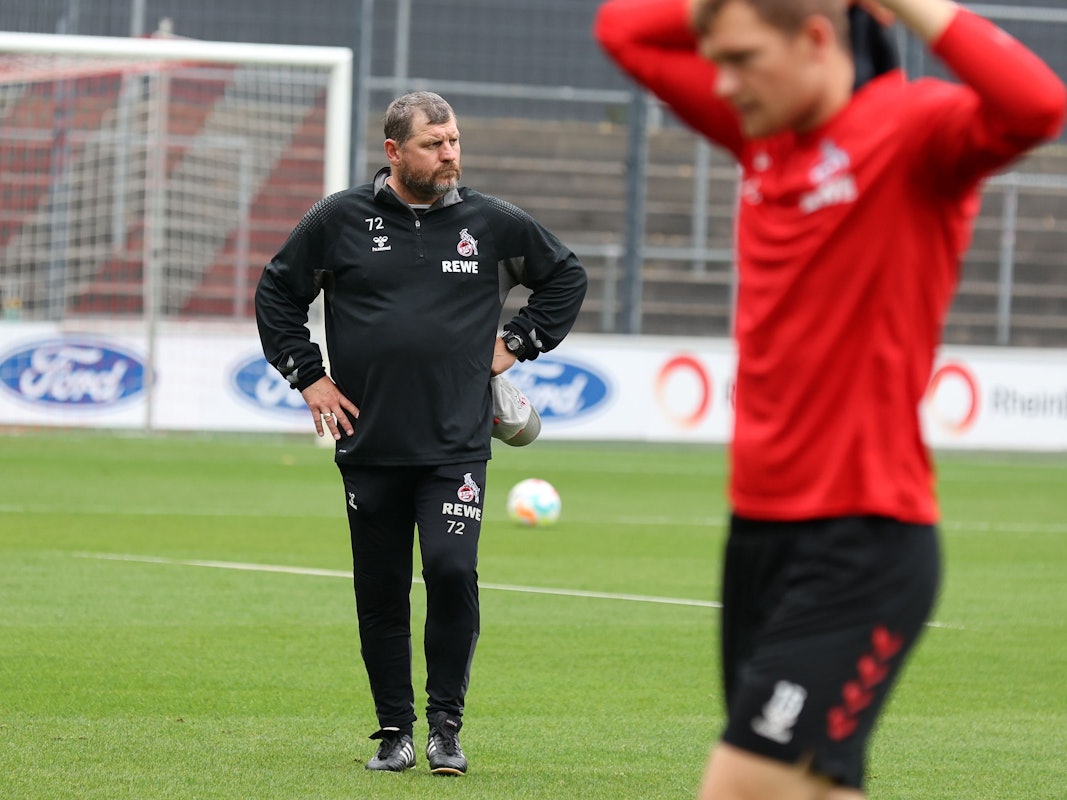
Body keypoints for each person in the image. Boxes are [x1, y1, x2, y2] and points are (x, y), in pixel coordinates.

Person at [594, 1, 1065, 798]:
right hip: (759, 535)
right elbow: (622, 29)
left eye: (742, 58)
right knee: (813, 787)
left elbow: (1037, 105)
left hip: (863, 542)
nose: (722, 83)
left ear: (816, 38)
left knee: (739, 786)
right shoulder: (762, 131)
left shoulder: (913, 130)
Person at [254, 91, 587, 776]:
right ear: (394, 151)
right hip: (370, 443)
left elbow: (565, 277)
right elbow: (277, 292)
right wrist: (309, 376)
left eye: (455, 140)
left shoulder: (489, 223)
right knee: (380, 590)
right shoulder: (339, 219)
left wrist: (518, 341)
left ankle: (445, 729)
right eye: (435, 143)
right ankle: (393, 733)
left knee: (449, 568)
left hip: (454, 443)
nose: (450, 154)